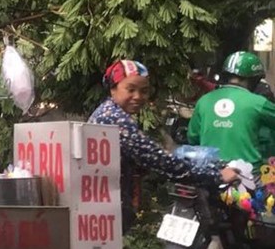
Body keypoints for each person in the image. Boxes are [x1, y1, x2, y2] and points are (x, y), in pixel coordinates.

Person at [89, 59, 238, 229]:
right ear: (113, 88)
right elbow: (157, 159)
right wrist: (215, 175)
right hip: (107, 211)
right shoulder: (115, 119)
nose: (138, 97)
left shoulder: (107, 112)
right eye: (130, 89)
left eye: (144, 91)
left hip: (104, 208)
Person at [188, 51, 275, 172]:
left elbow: (192, 137)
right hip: (247, 178)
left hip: (210, 174)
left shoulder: (204, 100)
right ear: (254, 80)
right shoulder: (258, 103)